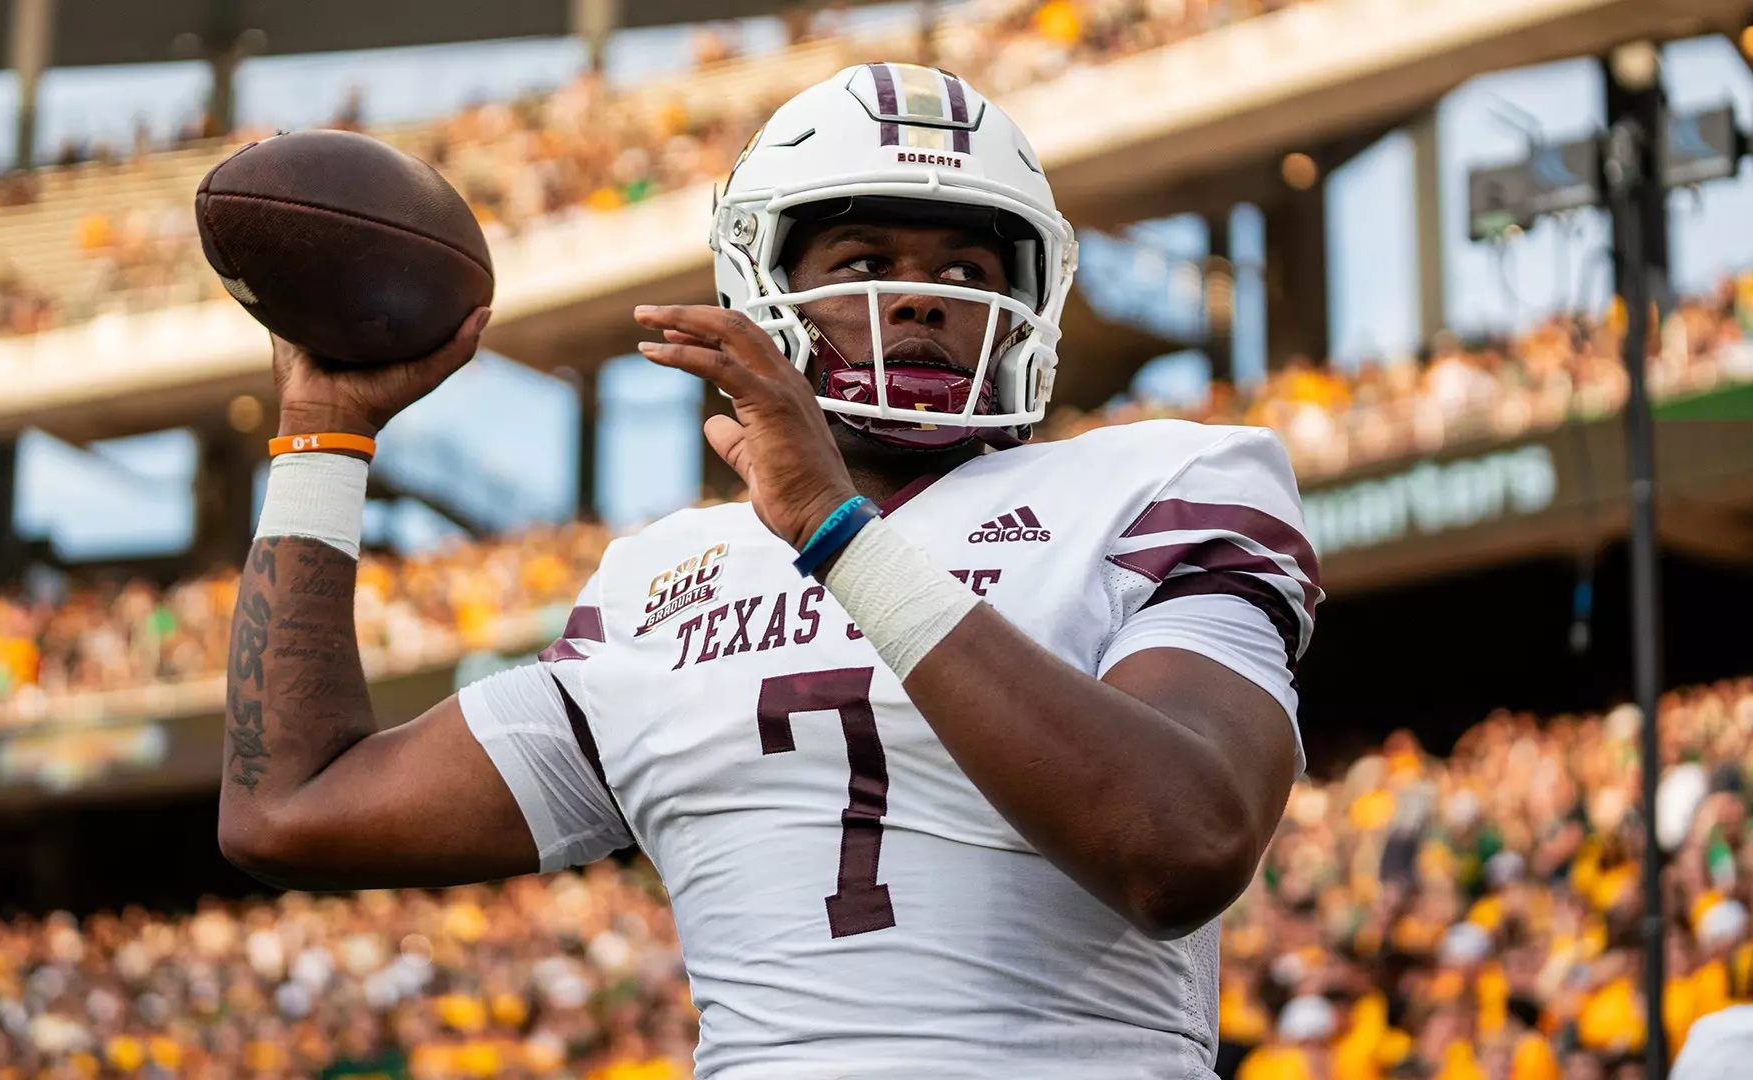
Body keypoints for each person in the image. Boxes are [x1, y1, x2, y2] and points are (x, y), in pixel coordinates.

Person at [219, 63, 1316, 1078]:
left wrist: (837, 533)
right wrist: (323, 437)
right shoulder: (662, 580)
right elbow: (293, 811)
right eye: (866, 262)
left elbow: (1182, 846)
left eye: (967, 268)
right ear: (761, 280)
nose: (925, 296)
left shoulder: (1160, 481)